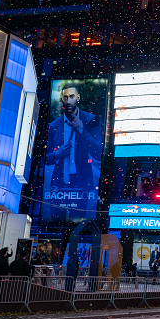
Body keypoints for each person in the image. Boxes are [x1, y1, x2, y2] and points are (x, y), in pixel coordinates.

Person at [44, 82, 104, 222]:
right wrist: (56, 155)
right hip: (58, 183)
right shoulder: (53, 126)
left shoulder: (90, 120)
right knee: (55, 224)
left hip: (81, 182)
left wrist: (81, 129)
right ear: (62, 100)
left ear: (78, 97)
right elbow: (42, 158)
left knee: (78, 225)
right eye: (65, 97)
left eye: (71, 96)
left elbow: (98, 152)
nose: (68, 100)